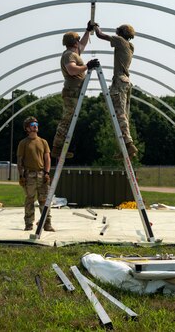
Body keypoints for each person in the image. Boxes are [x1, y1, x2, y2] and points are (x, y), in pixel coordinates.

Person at [51, 21, 99, 159]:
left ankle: (63, 147)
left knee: (71, 119)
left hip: (75, 91)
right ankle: (57, 148)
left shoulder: (74, 52)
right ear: (74, 42)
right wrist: (87, 66)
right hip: (71, 92)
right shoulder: (69, 55)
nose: (80, 42)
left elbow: (82, 44)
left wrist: (88, 31)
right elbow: (72, 70)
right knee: (67, 120)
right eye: (77, 39)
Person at [93, 22, 138, 157]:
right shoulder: (130, 46)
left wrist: (95, 26)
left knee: (119, 114)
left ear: (121, 32)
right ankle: (125, 147)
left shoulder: (120, 41)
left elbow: (100, 35)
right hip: (126, 82)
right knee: (123, 115)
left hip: (119, 81)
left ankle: (129, 144)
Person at [17, 116, 54, 232]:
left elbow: (47, 158)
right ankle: (29, 224)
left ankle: (46, 223)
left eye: (36, 125)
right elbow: (20, 160)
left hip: (42, 175)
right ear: (27, 129)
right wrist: (21, 175)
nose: (35, 127)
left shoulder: (43, 142)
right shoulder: (23, 143)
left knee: (44, 200)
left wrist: (47, 173)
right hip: (29, 175)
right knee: (30, 200)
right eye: (33, 126)